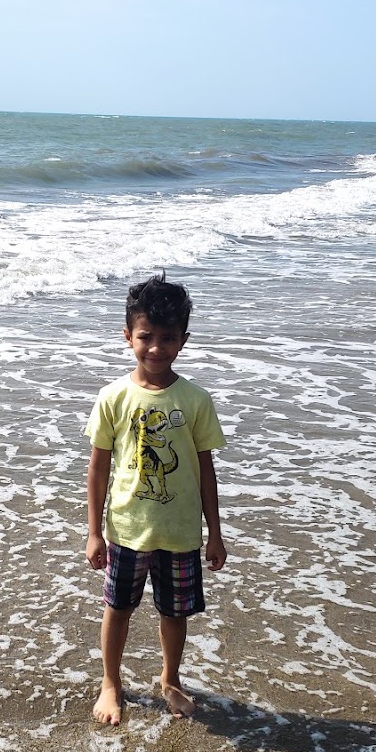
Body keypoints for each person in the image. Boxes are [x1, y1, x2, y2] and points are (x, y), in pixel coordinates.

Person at [85, 272, 227, 725]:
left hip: (181, 532)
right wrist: (93, 533)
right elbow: (98, 468)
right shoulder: (113, 397)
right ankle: (111, 682)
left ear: (183, 340)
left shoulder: (195, 400)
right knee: (118, 609)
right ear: (128, 335)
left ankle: (171, 678)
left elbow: (206, 470)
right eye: (146, 336)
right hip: (127, 528)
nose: (156, 347)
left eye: (168, 338)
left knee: (175, 612)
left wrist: (215, 533)